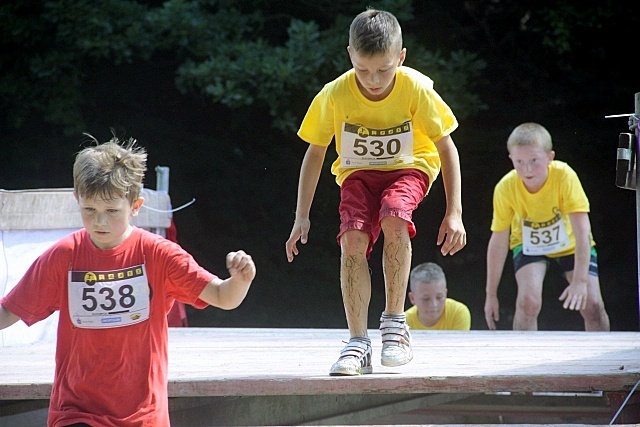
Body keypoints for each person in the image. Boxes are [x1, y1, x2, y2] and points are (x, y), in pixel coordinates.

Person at [0, 134, 256, 426]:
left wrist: (240, 280)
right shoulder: (63, 256)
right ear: (77, 200)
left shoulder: (158, 255)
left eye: (111, 211)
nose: (100, 222)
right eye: (90, 210)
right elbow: (10, 310)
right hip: (75, 412)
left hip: (142, 417)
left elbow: (223, 297)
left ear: (135, 205)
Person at [285, 8, 466, 376]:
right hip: (358, 174)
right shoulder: (334, 94)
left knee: (393, 215)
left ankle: (395, 325)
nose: (373, 79)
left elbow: (447, 146)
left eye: (384, 69)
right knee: (352, 238)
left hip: (409, 167)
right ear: (350, 54)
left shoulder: (415, 88)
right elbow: (315, 152)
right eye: (363, 69)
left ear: (401, 57)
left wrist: (454, 212)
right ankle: (357, 342)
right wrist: (301, 215)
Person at [484, 122, 610, 331]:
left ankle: (607, 361)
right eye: (519, 162)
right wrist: (491, 294)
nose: (527, 169)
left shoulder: (565, 176)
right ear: (511, 160)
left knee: (593, 306)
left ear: (550, 157)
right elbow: (498, 241)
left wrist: (579, 280)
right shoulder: (505, 187)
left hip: (571, 243)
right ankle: (523, 359)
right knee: (527, 303)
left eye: (535, 161)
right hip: (528, 245)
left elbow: (582, 231)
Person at [405, 262, 471, 330]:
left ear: (446, 294)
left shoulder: (458, 313)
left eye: (439, 297)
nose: (434, 304)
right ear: (412, 298)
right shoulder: (404, 323)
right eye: (426, 299)